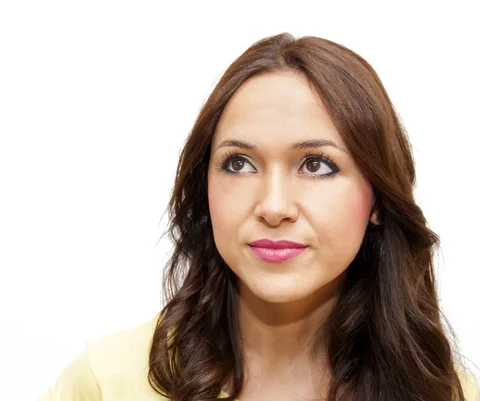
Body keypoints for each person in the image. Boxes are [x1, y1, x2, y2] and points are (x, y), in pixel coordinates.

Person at [38, 33, 480, 401]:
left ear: (379, 199)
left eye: (316, 165)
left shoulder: (443, 391)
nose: (272, 206)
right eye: (239, 164)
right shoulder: (106, 382)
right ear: (203, 188)